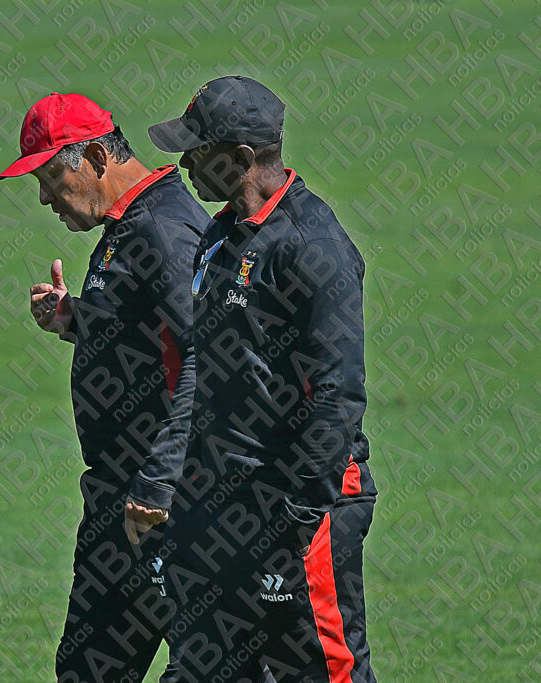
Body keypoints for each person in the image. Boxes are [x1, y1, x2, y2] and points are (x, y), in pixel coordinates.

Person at [148, 76, 379, 682]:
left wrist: (299, 516)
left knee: (321, 672)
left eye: (197, 151)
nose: (185, 164)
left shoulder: (313, 245)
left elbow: (339, 393)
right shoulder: (220, 236)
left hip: (301, 505)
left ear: (243, 159)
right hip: (222, 501)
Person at [0, 92, 209, 682]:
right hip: (121, 500)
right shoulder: (131, 225)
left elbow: (204, 358)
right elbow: (152, 337)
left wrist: (160, 483)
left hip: (159, 506)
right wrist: (79, 320)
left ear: (93, 155)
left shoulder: (166, 231)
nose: (43, 198)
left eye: (47, 177)